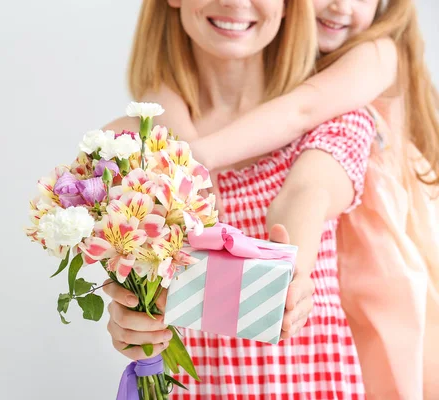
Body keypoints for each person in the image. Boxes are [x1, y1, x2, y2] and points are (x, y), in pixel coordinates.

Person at [116, 0, 439, 397]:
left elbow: (307, 192)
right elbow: (145, 290)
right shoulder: (134, 141)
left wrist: (290, 273)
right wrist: (134, 315)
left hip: (327, 364)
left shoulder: (340, 104)